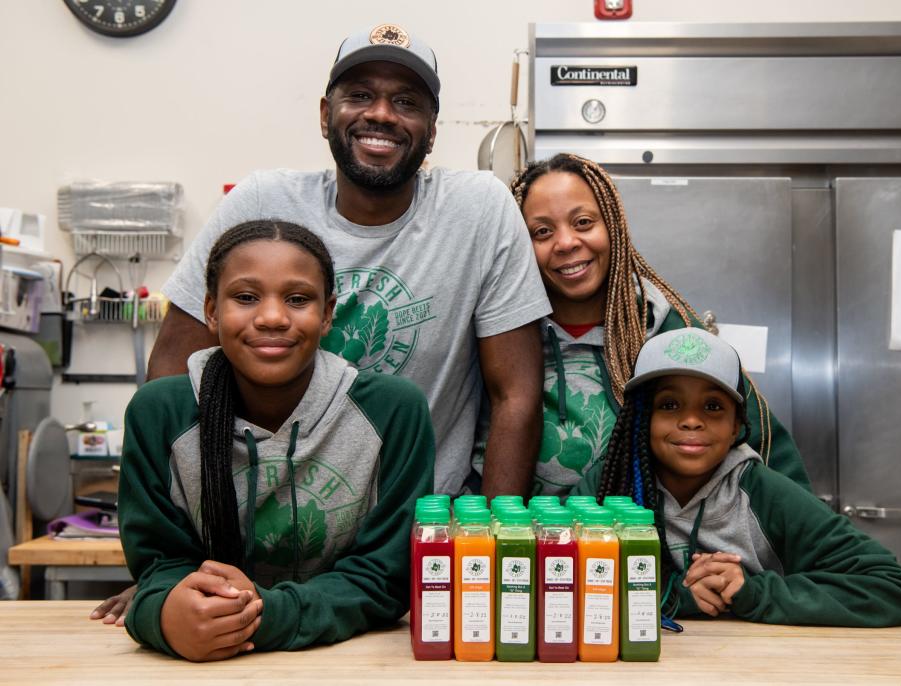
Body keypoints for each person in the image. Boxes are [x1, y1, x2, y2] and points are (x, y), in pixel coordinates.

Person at [93, 24, 549, 626]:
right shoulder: (263, 201)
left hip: (398, 554)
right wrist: (172, 573)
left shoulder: (479, 210)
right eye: (359, 94)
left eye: (407, 102)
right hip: (245, 547)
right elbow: (174, 372)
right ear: (325, 112)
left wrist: (489, 554)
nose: (381, 115)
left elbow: (514, 394)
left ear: (434, 129)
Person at [117, 220, 435, 660]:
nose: (271, 317)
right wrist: (167, 617)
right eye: (245, 297)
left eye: (298, 299)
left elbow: (385, 576)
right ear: (211, 310)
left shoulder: (394, 411)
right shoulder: (158, 412)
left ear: (327, 314)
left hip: (356, 659)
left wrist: (268, 616)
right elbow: (159, 567)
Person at [472, 153, 810, 496]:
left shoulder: (671, 332)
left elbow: (765, 450)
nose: (566, 242)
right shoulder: (501, 334)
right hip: (527, 543)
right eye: (542, 231)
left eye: (584, 222)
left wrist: (790, 539)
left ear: (613, 227)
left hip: (646, 545)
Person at [576, 326, 901, 626]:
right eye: (669, 405)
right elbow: (552, 581)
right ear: (640, 420)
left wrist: (751, 591)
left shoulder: (765, 493)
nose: (692, 421)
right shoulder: (610, 485)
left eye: (713, 407)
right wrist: (676, 598)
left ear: (737, 427)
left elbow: (895, 589)